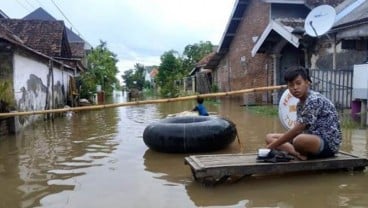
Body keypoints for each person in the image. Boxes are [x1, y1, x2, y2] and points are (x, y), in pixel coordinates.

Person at [266, 66, 342, 160]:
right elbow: (298, 131)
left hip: (328, 144)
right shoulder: (299, 104)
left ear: (307, 83)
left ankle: (298, 152)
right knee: (269, 137)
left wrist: (270, 147)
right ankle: (298, 154)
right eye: (291, 85)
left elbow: (298, 130)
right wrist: (273, 144)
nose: (295, 88)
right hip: (310, 137)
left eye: (298, 83)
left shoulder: (314, 100)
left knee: (299, 140)